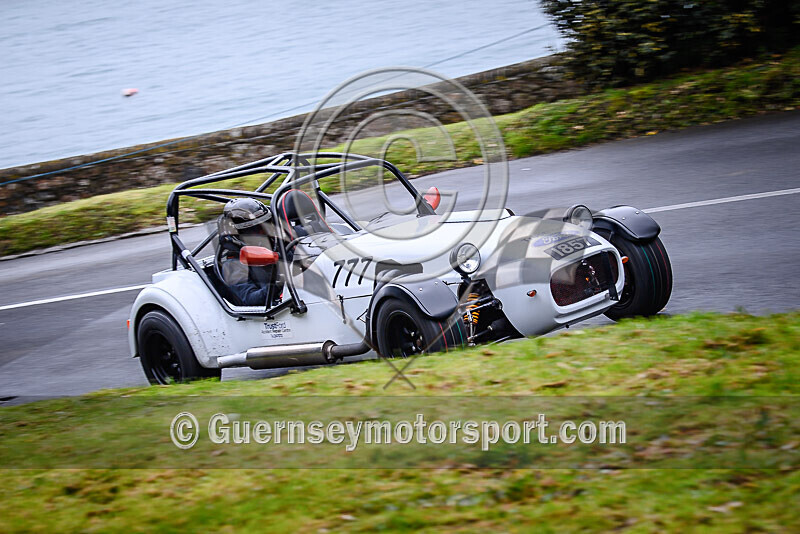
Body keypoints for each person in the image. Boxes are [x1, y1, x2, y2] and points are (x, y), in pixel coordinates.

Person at [215, 198, 280, 306]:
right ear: (237, 234)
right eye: (256, 229)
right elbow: (250, 299)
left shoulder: (277, 244)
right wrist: (279, 284)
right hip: (271, 314)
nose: (263, 231)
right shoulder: (232, 265)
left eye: (266, 225)